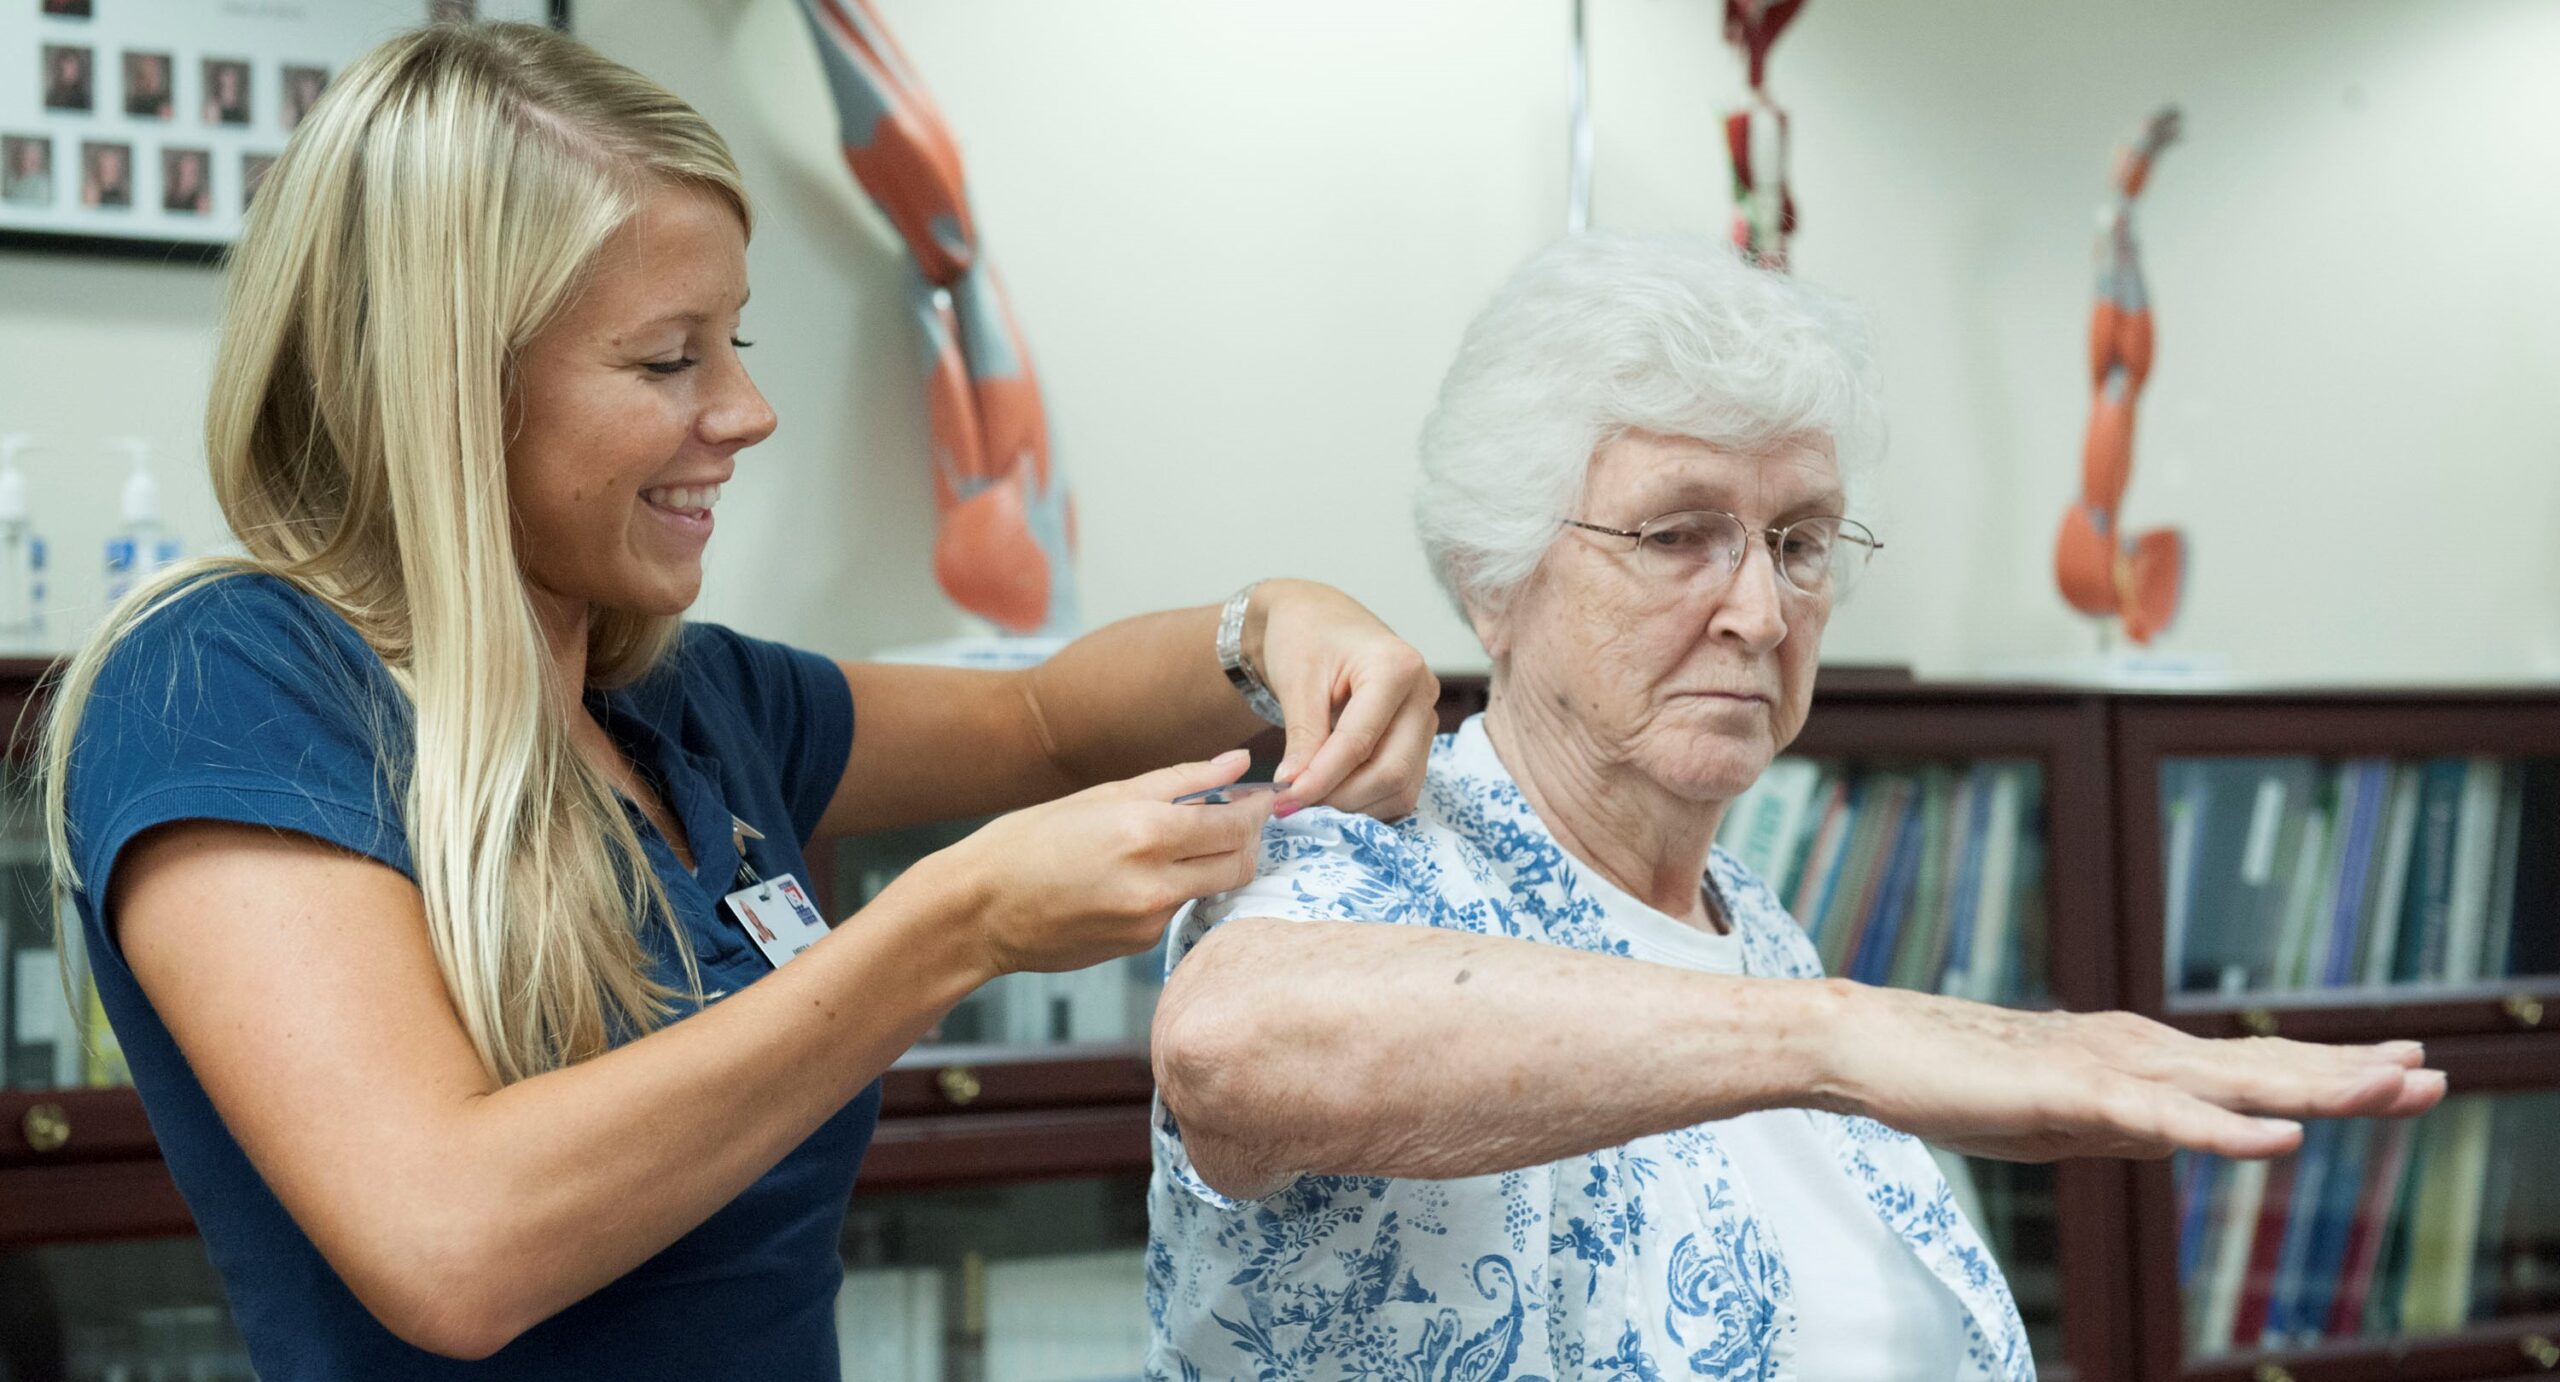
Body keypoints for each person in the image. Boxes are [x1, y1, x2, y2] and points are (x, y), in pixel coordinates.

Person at [41, 22, 1439, 1380]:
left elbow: (1044, 722)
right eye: (669, 357)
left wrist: (1268, 622)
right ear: (445, 385)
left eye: (738, 343)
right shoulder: (222, 685)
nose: (747, 412)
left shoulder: (675, 699)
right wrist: (954, 927)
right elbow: (451, 1243)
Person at [1144, 234, 2446, 1380]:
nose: (1760, 614)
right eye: (1676, 535)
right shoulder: (1358, 855)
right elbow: (1230, 1044)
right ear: (1497, 578)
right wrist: (1833, 1035)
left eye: (1800, 539)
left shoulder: (1751, 923)